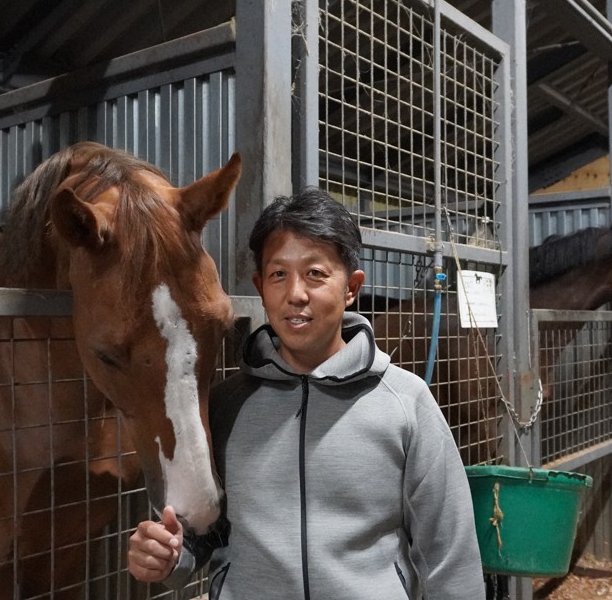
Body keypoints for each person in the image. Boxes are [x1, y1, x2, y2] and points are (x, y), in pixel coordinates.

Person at [127, 188, 484, 599]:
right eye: (279, 274)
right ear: (261, 286)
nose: (295, 293)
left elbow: (449, 554)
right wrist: (170, 556)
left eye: (315, 273)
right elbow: (205, 532)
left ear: (351, 287)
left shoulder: (405, 401)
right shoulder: (226, 404)